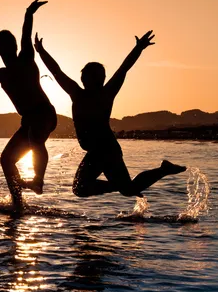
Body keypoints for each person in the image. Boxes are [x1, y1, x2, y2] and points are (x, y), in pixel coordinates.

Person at [34, 30, 186, 198]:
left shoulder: (101, 94)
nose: (86, 78)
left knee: (82, 188)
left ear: (95, 79)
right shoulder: (79, 93)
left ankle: (157, 172)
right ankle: (161, 170)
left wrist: (139, 49)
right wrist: (41, 52)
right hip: (101, 151)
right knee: (127, 189)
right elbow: (57, 72)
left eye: (91, 76)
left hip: (105, 150)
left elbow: (124, 68)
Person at [0, 0, 57, 210]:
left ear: (13, 47)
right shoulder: (2, 74)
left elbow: (26, 34)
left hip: (44, 114)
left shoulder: (25, 57)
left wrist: (29, 13)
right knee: (6, 160)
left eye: (8, 45)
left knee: (34, 138)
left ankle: (38, 180)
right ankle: (18, 202)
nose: (5, 49)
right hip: (28, 120)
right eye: (0, 46)